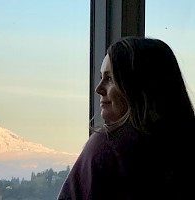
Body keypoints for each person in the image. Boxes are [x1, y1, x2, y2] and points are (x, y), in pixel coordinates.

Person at [57, 36, 195, 200]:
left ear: (137, 85)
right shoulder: (184, 148)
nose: (98, 89)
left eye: (109, 78)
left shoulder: (107, 148)